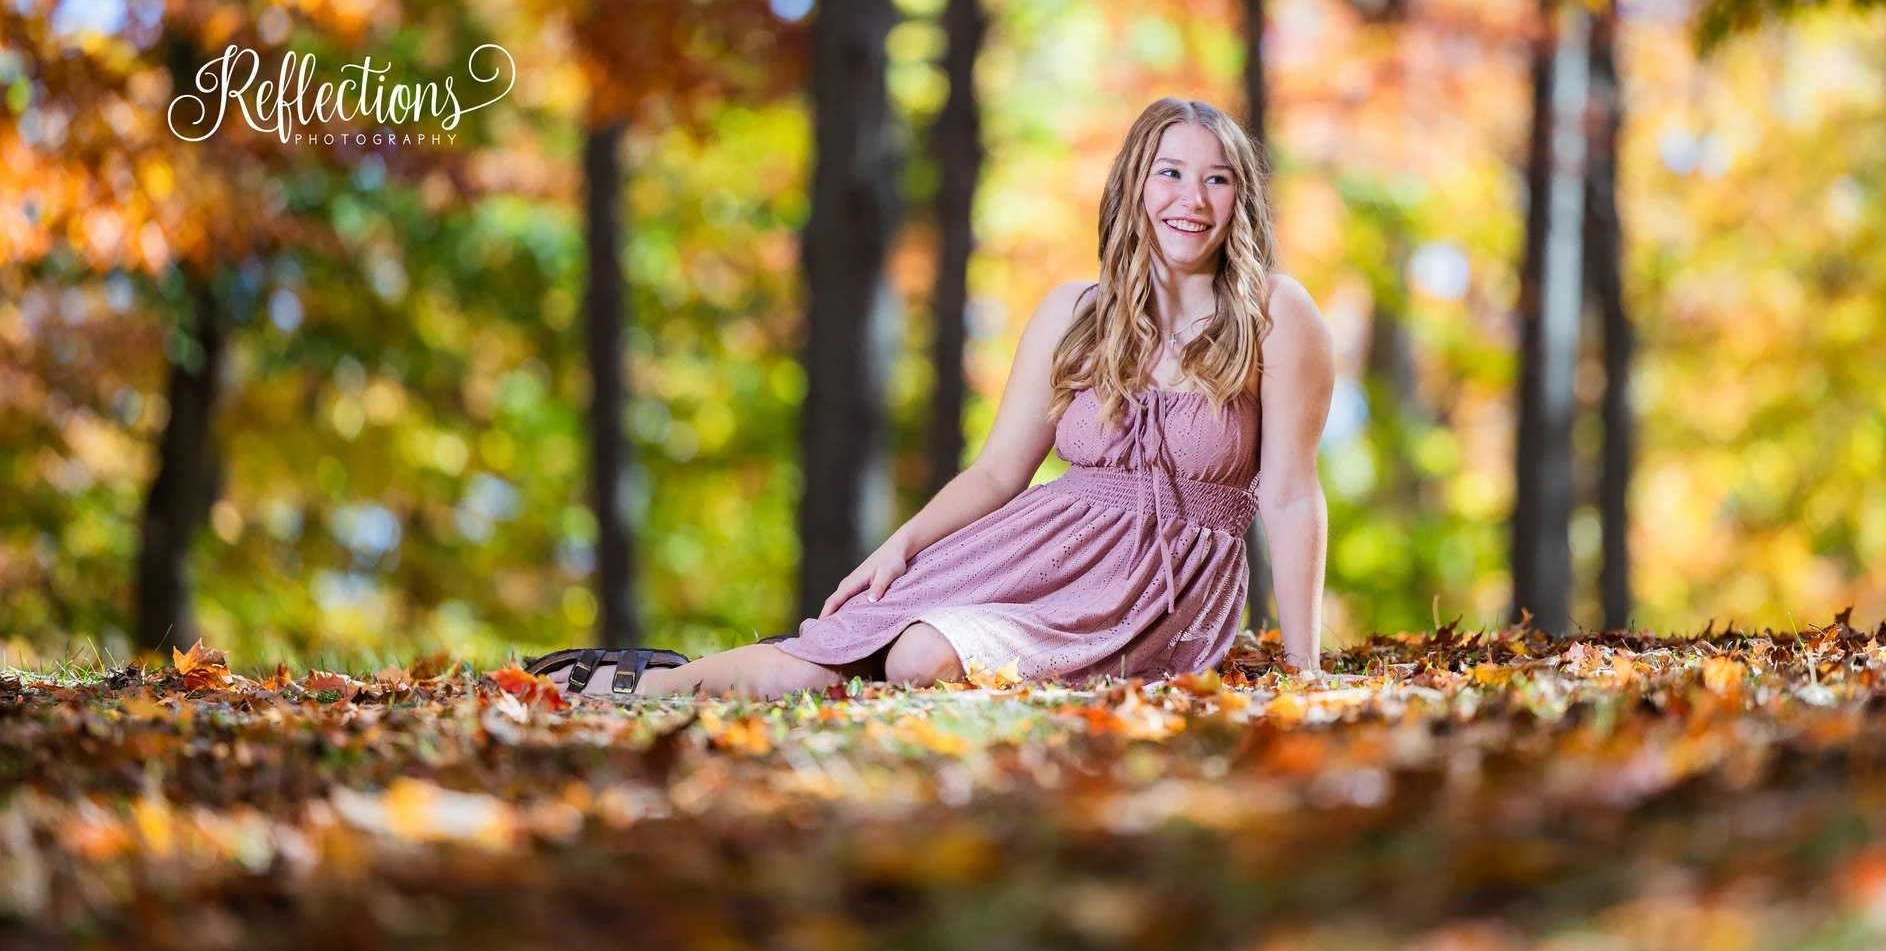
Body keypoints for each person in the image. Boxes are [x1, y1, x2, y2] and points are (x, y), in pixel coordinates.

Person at [532, 96, 1335, 699]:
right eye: (1170, 172)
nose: (1190, 197)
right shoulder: (1074, 312)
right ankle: (628, 684)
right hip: (1035, 546)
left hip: (1159, 584)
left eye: (1216, 178)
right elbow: (996, 475)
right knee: (829, 658)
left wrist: (1303, 666)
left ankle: (669, 681)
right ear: (1134, 186)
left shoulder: (1276, 313)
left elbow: (1292, 494)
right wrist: (901, 547)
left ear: (1239, 200)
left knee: (919, 657)